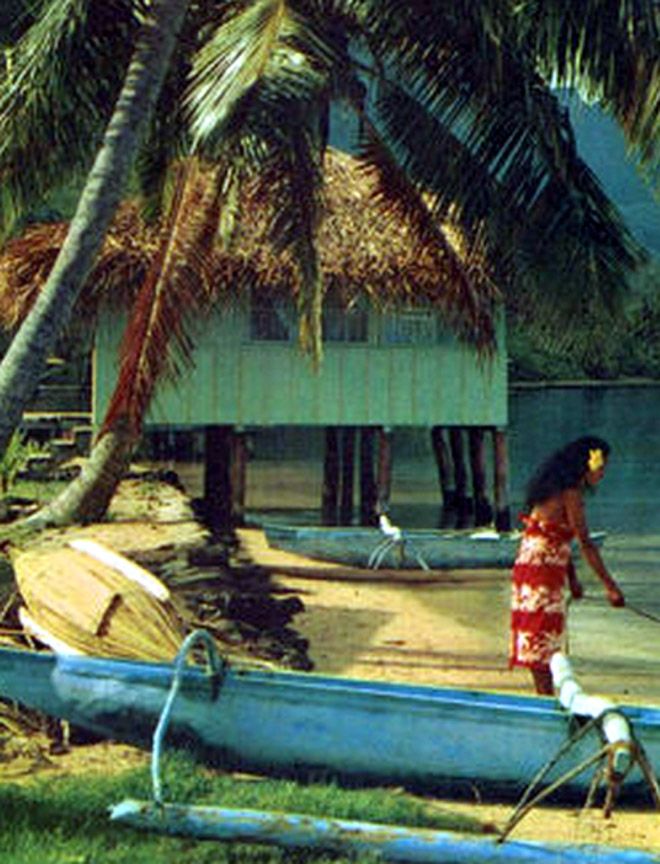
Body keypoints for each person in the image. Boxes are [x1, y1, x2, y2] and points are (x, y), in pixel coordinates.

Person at [509, 435, 625, 695]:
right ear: (588, 465)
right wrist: (611, 587)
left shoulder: (556, 487)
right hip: (541, 567)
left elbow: (561, 537)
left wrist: (572, 579)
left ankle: (545, 693)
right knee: (542, 632)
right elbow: (584, 542)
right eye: (602, 467)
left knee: (540, 631)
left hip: (535, 563)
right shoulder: (570, 492)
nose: (603, 473)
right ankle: (544, 696)